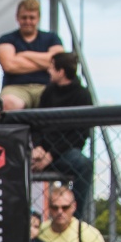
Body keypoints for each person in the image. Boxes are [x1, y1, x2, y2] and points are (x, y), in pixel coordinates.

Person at [30, 52, 94, 215]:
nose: (48, 71)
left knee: (84, 164)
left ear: (61, 71)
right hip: (41, 152)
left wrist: (51, 155)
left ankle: (75, 219)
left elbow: (79, 136)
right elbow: (37, 124)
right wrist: (38, 147)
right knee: (12, 160)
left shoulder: (82, 95)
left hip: (64, 153)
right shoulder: (49, 91)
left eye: (52, 67)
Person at [0, 0, 63, 110]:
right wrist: (46, 63)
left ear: (38, 18)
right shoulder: (6, 39)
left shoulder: (52, 38)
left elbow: (59, 62)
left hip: (47, 87)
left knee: (61, 101)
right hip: (15, 88)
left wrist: (25, 54)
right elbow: (9, 65)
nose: (28, 22)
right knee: (7, 103)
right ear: (17, 17)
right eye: (24, 17)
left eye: (32, 18)